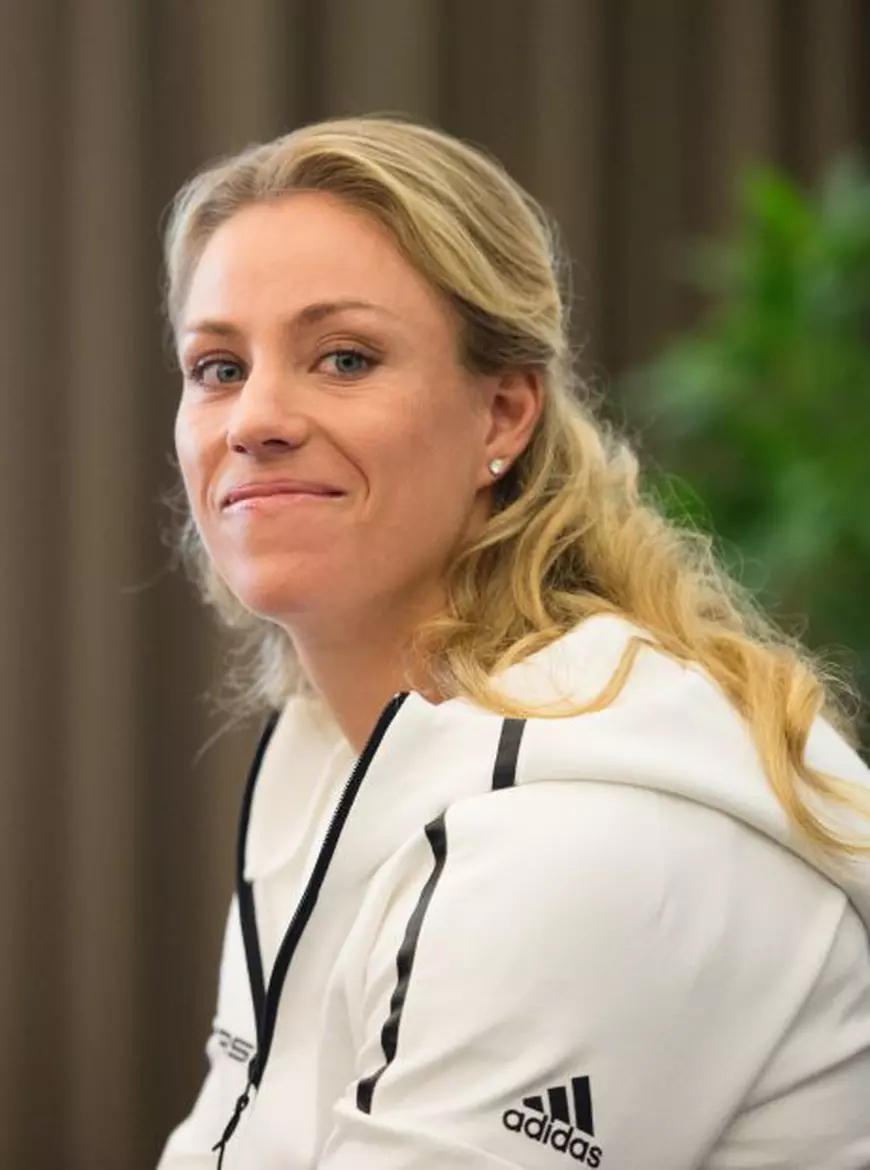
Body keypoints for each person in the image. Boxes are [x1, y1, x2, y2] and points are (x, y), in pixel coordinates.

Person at [156, 115, 870, 1170]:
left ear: (502, 415)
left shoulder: (584, 830)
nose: (254, 419)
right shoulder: (328, 761)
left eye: (343, 358)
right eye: (218, 367)